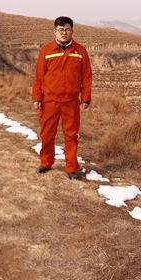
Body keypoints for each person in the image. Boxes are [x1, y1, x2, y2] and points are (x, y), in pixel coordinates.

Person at [32, 16, 92, 179]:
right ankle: (46, 162)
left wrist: (85, 98)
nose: (64, 33)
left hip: (71, 101)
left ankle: (71, 167)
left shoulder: (80, 51)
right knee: (47, 133)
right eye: (60, 30)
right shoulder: (46, 51)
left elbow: (87, 77)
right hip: (49, 100)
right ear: (55, 31)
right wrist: (37, 97)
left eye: (67, 29)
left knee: (71, 135)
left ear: (72, 31)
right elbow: (38, 77)